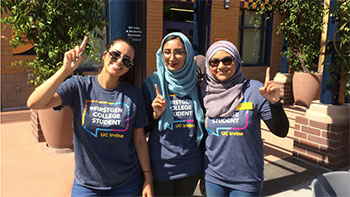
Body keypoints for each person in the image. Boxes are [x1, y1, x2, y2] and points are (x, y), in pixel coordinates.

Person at [27, 36, 153, 196]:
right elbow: (34, 103)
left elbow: (140, 141)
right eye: (115, 54)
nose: (120, 61)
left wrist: (148, 177)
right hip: (87, 184)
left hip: (126, 183)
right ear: (104, 55)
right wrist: (65, 70)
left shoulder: (133, 95)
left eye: (127, 61)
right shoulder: (79, 86)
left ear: (129, 68)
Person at [200, 40, 289, 196]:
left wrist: (275, 103)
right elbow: (202, 138)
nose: (221, 66)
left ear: (237, 61)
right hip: (213, 177)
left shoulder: (254, 90)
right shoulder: (204, 93)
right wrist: (202, 173)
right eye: (214, 62)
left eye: (227, 60)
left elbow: (281, 131)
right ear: (208, 65)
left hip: (246, 180)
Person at [142, 32, 205, 196]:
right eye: (167, 52)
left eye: (179, 52)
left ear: (188, 54)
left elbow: (204, 128)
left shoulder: (196, 85)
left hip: (191, 165)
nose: (172, 58)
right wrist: (155, 115)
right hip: (161, 165)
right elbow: (141, 129)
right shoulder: (152, 83)